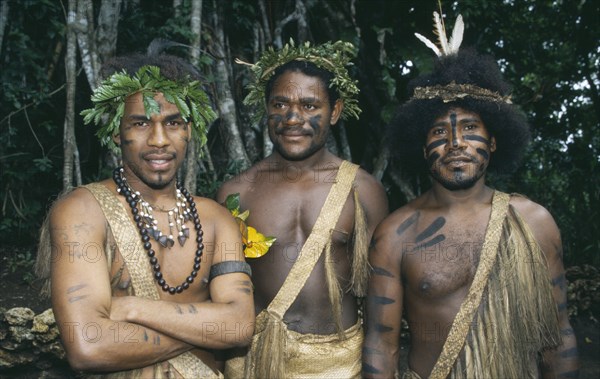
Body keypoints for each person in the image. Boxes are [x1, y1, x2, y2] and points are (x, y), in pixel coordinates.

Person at [362, 13, 579, 379]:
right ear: (422, 144)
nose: (456, 143)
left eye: (469, 128)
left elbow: (557, 337)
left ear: (493, 141)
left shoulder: (532, 222)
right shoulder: (396, 234)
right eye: (439, 132)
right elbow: (381, 347)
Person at [35, 53, 254, 378]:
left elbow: (239, 327)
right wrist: (206, 330)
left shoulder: (216, 219)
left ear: (189, 130)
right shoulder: (82, 211)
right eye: (140, 123)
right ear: (115, 131)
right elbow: (88, 347)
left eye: (173, 122)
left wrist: (135, 308)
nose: (159, 140)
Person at [216, 40, 389, 378]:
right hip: (255, 363)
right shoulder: (236, 192)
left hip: (338, 366)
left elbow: (381, 297)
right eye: (280, 104)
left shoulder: (362, 190)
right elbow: (221, 296)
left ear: (335, 112)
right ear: (266, 109)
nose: (293, 118)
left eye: (310, 105)